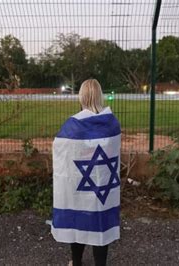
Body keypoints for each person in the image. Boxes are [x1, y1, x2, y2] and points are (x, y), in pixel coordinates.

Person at [51, 79, 121, 266]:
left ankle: (76, 262)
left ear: (81, 96)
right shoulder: (112, 123)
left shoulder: (73, 125)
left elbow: (61, 149)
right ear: (100, 95)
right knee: (101, 224)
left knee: (79, 221)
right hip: (103, 186)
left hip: (79, 184)